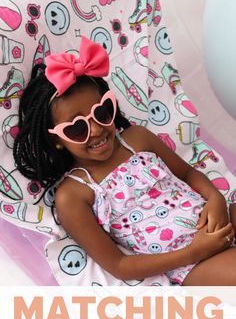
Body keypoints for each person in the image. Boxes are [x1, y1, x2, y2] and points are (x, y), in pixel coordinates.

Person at [14, 36, 236, 286]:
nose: (97, 130)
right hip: (192, 263)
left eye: (102, 112)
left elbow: (187, 174)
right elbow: (121, 266)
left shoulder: (137, 140)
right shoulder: (73, 196)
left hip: (219, 221)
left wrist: (215, 198)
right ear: (56, 139)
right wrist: (195, 251)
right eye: (77, 129)